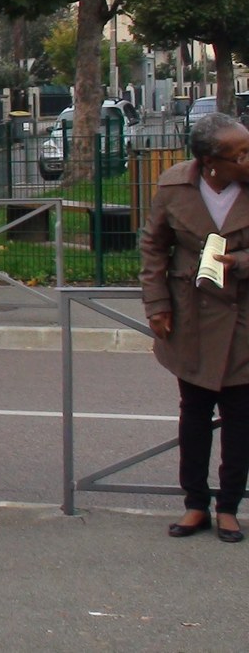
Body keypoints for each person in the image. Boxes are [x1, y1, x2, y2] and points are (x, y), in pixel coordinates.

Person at [139, 111, 249, 544]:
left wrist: (240, 262)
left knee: (240, 418)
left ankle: (229, 508)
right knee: (194, 413)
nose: (248, 159)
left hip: (243, 318)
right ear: (210, 163)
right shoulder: (174, 187)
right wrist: (157, 305)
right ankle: (195, 503)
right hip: (191, 317)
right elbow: (153, 247)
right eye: (240, 154)